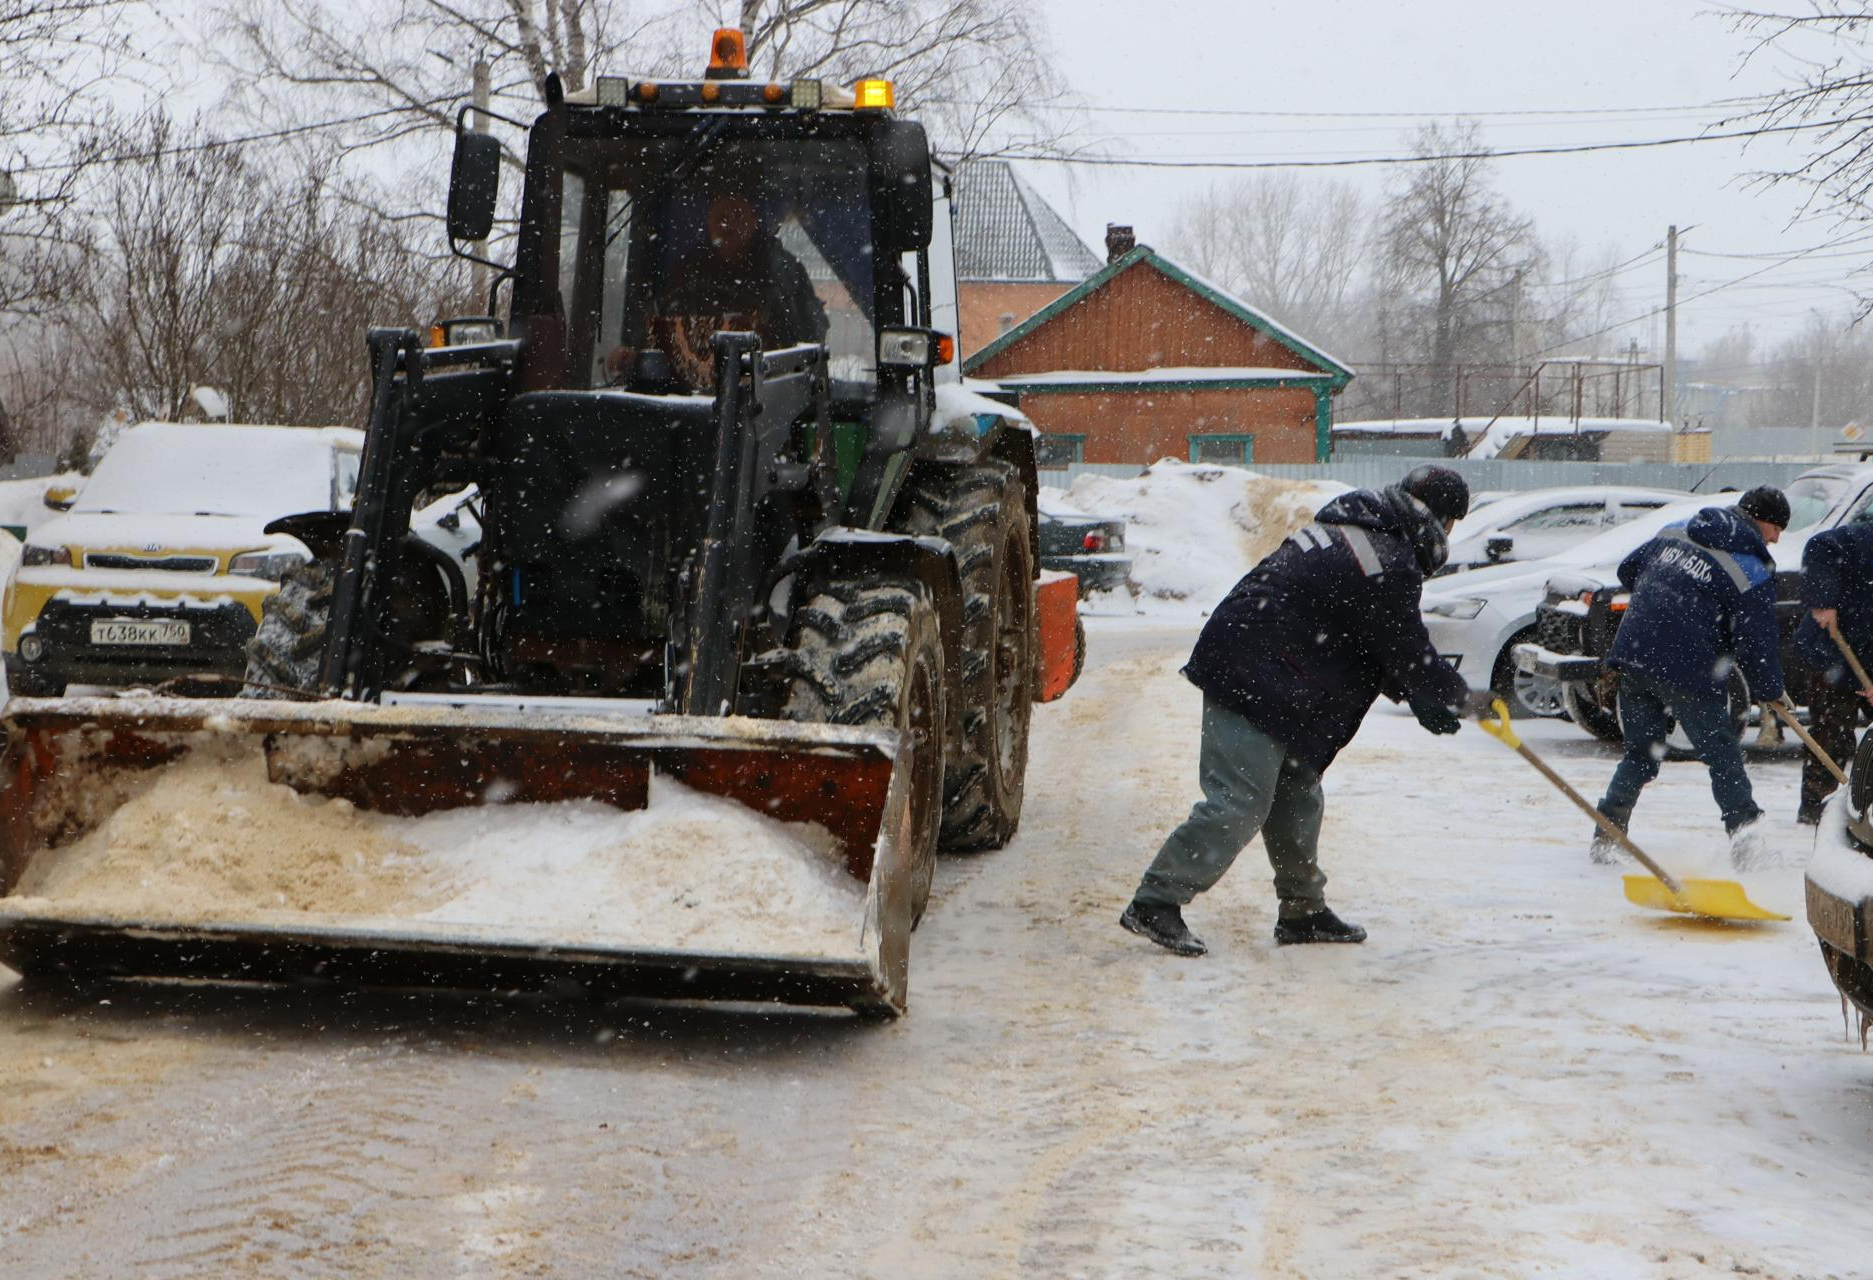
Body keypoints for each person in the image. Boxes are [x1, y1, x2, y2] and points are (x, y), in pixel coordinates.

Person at [1119, 465, 1483, 957]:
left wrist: (1415, 691)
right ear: (1441, 518)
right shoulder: (1385, 556)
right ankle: (1156, 901)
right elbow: (1403, 643)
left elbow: (1367, 635)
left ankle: (1303, 911)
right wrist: (1456, 696)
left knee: (1297, 790)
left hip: (1276, 671)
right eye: (1453, 523)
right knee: (1239, 802)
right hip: (1251, 671)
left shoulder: (1362, 534)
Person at [1591, 487, 1788, 865]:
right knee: (1722, 756)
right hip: (1688, 665)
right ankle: (1748, 846)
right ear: (1758, 519)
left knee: (1640, 754)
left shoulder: (1677, 530)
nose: (1776, 538)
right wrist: (1769, 690)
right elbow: (1758, 639)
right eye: (1775, 527)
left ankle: (1607, 836)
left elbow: (1627, 570)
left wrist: (1665, 600)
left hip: (1635, 652)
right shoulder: (1749, 568)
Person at [613, 192, 829, 389]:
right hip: (687, 402)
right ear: (709, 222)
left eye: (736, 214)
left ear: (753, 220)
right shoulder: (686, 273)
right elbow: (660, 333)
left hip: (770, 399)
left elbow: (809, 338)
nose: (727, 223)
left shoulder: (785, 273)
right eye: (720, 215)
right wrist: (634, 357)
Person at [1790, 519, 1873, 823]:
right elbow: (1821, 546)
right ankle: (1817, 808)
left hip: (1867, 654)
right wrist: (1823, 601)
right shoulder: (1862, 540)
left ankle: (1866, 808)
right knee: (1833, 732)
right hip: (1832, 653)